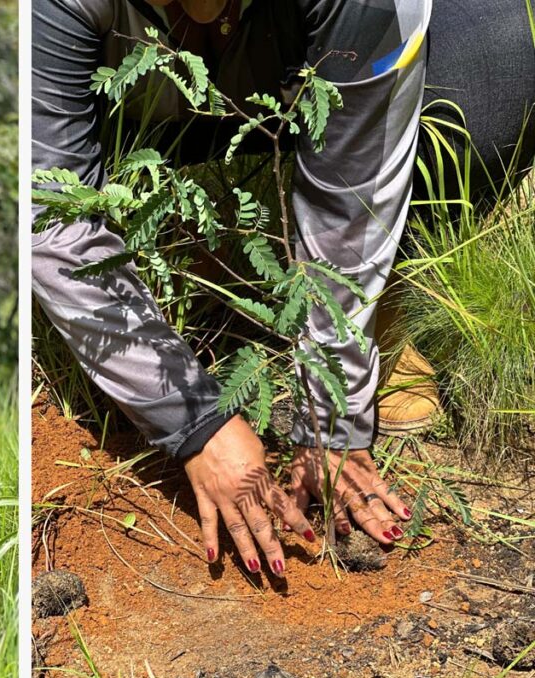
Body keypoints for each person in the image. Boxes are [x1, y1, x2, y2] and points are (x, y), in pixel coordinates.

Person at [32, 0, 535, 577]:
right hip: (135, 96)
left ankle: (392, 312)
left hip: (301, 70)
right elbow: (53, 218)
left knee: (492, 75)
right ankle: (167, 255)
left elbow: (351, 200)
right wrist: (196, 422)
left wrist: (334, 414)